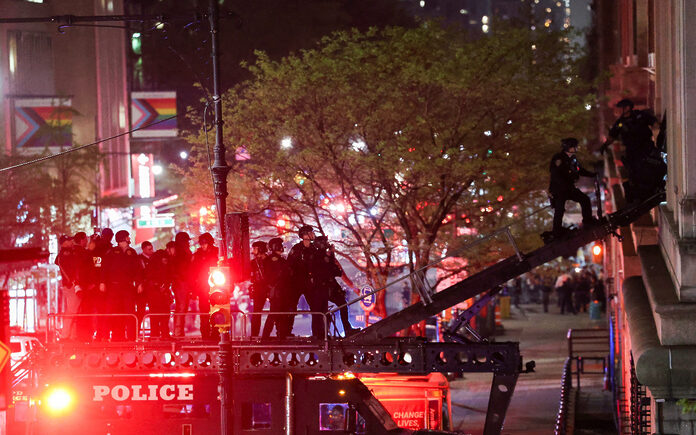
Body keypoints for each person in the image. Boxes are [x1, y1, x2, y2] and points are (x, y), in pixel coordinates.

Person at [549, 137, 597, 237]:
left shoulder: (573, 158)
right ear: (568, 147)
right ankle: (557, 231)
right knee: (559, 209)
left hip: (569, 188)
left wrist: (592, 174)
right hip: (559, 189)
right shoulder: (558, 159)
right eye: (574, 146)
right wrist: (565, 186)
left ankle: (587, 221)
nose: (576, 148)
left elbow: (579, 170)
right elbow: (555, 175)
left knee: (585, 199)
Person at [100, 230, 143, 340]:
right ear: (123, 239)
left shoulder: (132, 253)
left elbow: (138, 270)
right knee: (115, 312)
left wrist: (139, 284)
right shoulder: (112, 252)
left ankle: (131, 337)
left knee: (129, 312)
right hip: (113, 288)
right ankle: (116, 336)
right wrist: (103, 282)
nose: (129, 239)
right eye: (128, 237)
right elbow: (104, 268)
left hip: (127, 287)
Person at [314, 236, 361, 337]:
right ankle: (347, 329)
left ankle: (321, 334)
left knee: (323, 311)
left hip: (322, 289)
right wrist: (332, 254)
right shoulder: (323, 257)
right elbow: (334, 270)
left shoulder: (318, 256)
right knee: (343, 305)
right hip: (328, 288)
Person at [287, 225, 318, 335]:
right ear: (305, 235)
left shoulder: (315, 249)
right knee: (291, 307)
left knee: (315, 307)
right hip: (296, 283)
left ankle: (317, 333)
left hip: (309, 283)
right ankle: (286, 332)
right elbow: (289, 266)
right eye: (310, 232)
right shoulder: (296, 249)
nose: (313, 234)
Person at [261, 238, 293, 339]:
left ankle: (281, 334)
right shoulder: (273, 260)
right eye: (279, 245)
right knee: (274, 313)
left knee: (281, 314)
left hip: (282, 290)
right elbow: (278, 275)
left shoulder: (278, 259)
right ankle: (266, 336)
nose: (281, 247)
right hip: (277, 291)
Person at [140, 242, 173, 339]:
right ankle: (162, 334)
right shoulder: (159, 262)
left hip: (156, 292)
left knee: (158, 314)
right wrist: (161, 286)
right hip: (156, 292)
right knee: (160, 314)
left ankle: (157, 334)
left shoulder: (154, 261)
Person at [191, 233, 219, 340]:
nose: (203, 246)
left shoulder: (218, 253)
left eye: (205, 243)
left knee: (217, 311)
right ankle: (205, 335)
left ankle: (216, 333)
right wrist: (194, 289)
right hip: (202, 288)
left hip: (217, 287)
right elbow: (193, 273)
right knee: (204, 313)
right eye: (201, 244)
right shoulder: (197, 255)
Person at [55, 235, 79, 340]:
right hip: (71, 286)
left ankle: (72, 335)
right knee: (72, 311)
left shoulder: (68, 253)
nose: (71, 242)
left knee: (75, 311)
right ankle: (65, 334)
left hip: (71, 285)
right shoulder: (65, 254)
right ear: (64, 243)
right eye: (69, 240)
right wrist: (72, 281)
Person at [171, 232, 193, 336]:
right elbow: (183, 269)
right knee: (181, 306)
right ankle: (178, 331)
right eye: (187, 241)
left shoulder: (181, 252)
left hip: (183, 281)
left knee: (182, 307)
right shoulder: (181, 253)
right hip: (181, 282)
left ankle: (179, 331)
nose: (188, 243)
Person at [249, 241, 269, 337]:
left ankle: (266, 335)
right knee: (256, 313)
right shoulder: (253, 262)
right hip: (258, 289)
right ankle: (254, 335)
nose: (253, 251)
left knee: (274, 313)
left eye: (255, 248)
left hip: (269, 288)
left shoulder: (269, 261)